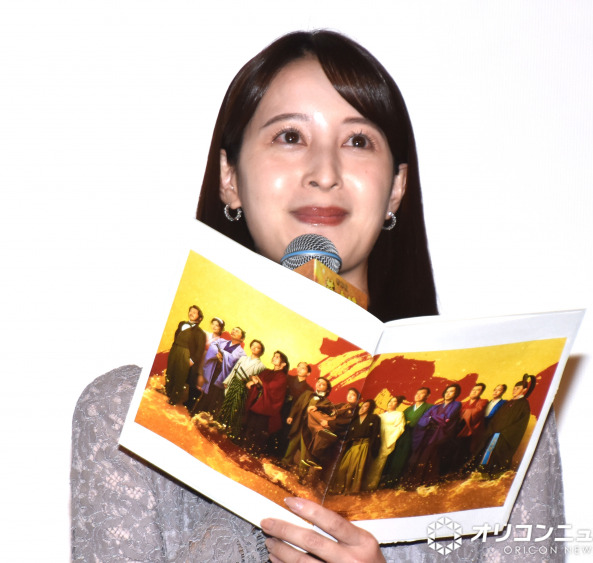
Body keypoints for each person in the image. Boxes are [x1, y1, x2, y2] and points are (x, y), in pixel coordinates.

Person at [72, 30, 566, 562]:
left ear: (396, 187)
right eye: (290, 136)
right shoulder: (122, 418)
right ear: (229, 177)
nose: (325, 173)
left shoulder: (518, 431)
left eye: (357, 141)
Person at [475, 375, 535, 477]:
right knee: (487, 453)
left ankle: (495, 476)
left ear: (524, 390)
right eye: (514, 388)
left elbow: (521, 423)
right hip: (494, 434)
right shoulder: (508, 402)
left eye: (518, 388)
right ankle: (484, 473)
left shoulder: (524, 404)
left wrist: (505, 432)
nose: (514, 390)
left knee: (498, 456)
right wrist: (492, 429)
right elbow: (496, 418)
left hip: (505, 436)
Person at [405, 384, 462, 487]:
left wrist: (432, 418)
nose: (448, 393)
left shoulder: (456, 404)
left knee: (430, 457)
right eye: (447, 391)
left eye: (451, 391)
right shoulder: (436, 406)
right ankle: (414, 482)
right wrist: (434, 418)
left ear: (456, 394)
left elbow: (446, 419)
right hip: (427, 434)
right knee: (418, 456)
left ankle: (427, 482)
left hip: (440, 435)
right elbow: (423, 420)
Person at [380, 387, 432, 488]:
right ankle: (388, 480)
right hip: (403, 435)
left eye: (422, 393)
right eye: (417, 393)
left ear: (427, 396)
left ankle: (395, 481)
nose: (418, 395)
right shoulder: (409, 409)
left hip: (417, 435)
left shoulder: (430, 407)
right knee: (396, 457)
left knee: (405, 459)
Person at [216, 338, 266, 439]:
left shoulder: (261, 366)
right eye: (253, 345)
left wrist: (252, 382)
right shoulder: (243, 358)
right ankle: (220, 424)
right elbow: (234, 370)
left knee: (237, 407)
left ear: (261, 351)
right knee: (227, 403)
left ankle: (231, 429)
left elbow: (258, 381)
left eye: (257, 347)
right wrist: (227, 381)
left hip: (244, 387)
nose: (254, 348)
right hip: (234, 382)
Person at [191, 325, 246, 417]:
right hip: (213, 370)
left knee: (216, 397)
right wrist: (217, 354)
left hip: (224, 375)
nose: (233, 331)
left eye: (237, 331)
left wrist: (223, 355)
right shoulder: (222, 341)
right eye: (233, 329)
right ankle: (196, 414)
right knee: (206, 393)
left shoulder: (242, 353)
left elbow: (234, 361)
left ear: (242, 338)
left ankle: (208, 419)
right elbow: (213, 346)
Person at [329, 399, 381, 494]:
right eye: (362, 406)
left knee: (354, 470)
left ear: (370, 409)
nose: (362, 408)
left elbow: (375, 434)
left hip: (364, 446)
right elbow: (348, 435)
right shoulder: (355, 420)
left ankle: (350, 491)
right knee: (342, 468)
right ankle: (338, 489)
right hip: (353, 446)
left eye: (366, 406)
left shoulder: (374, 418)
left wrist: (372, 450)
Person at [243, 350, 290, 454]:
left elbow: (272, 387)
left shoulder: (282, 377)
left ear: (283, 364)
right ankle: (244, 448)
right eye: (274, 356)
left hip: (266, 408)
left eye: (277, 357)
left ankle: (254, 453)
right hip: (256, 403)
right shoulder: (267, 371)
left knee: (259, 432)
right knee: (249, 427)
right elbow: (259, 381)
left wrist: (258, 381)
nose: (274, 358)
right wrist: (254, 381)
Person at [164, 305, 206, 406]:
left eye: (194, 312)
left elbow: (200, 349)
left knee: (180, 376)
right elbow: (176, 336)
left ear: (199, 318)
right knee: (170, 371)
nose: (191, 313)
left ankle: (174, 399)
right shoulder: (182, 324)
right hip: (175, 349)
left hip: (186, 353)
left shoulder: (200, 333)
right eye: (190, 311)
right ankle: (168, 392)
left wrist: (192, 360)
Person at [363, 396, 405, 490]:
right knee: (371, 460)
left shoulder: (399, 414)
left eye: (394, 401)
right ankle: (363, 484)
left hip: (387, 440)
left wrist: (387, 435)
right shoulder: (381, 415)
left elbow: (399, 428)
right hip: (377, 440)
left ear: (397, 404)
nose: (391, 403)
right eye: (390, 401)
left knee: (379, 462)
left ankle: (372, 485)